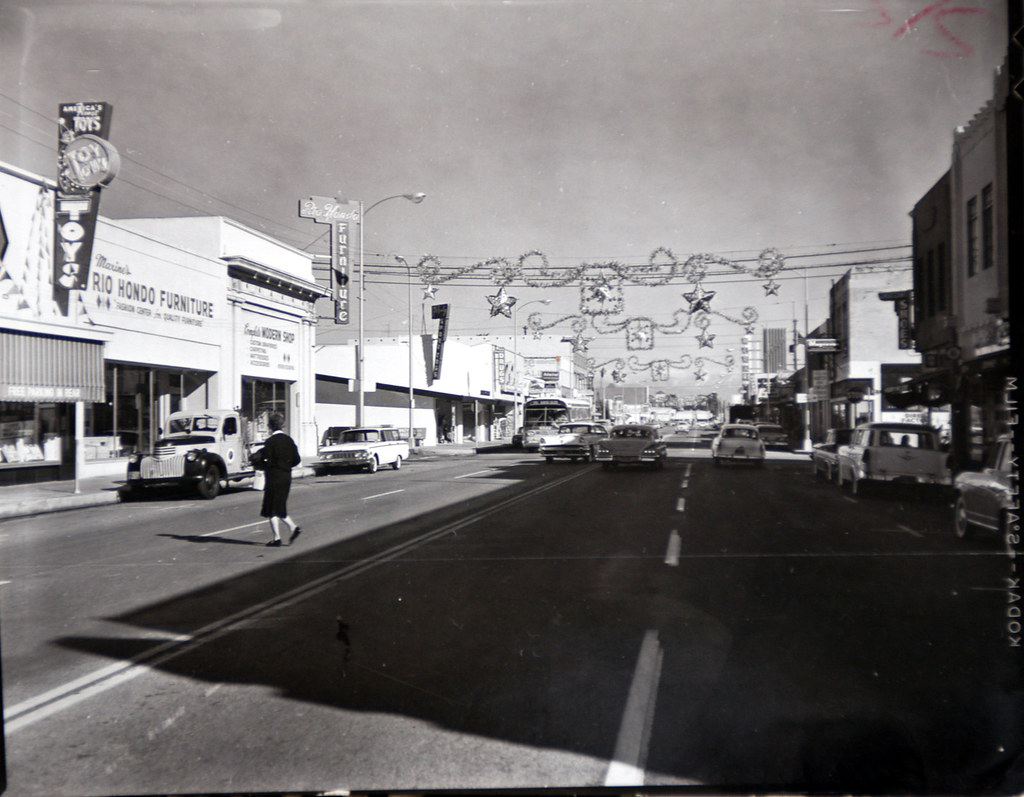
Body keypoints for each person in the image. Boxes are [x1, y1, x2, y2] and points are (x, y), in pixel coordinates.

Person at [255, 412, 302, 547]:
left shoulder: (270, 442)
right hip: (286, 476)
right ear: (282, 425)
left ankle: (278, 537)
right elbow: (296, 460)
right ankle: (291, 528)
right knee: (279, 505)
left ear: (270, 426)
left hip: (273, 477)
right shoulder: (289, 440)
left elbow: (267, 461)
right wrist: (286, 465)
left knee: (271, 507)